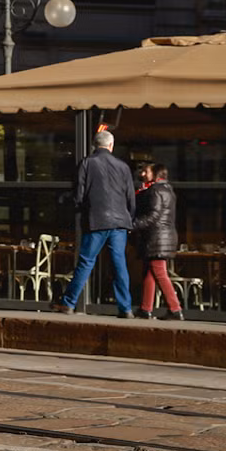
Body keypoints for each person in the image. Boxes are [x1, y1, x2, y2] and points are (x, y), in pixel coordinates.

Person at [54, 130, 136, 317]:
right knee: (119, 265)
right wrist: (128, 219)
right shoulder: (123, 167)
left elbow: (78, 195)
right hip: (119, 223)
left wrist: (82, 211)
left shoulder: (87, 163)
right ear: (111, 146)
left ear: (94, 145)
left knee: (86, 262)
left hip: (96, 220)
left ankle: (69, 303)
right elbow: (131, 198)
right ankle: (126, 308)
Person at [130, 163, 183, 320]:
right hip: (162, 236)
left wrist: (132, 225)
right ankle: (145, 309)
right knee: (149, 272)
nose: (143, 174)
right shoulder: (167, 190)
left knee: (159, 272)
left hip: (156, 238)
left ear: (156, 173)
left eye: (146, 171)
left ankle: (175, 309)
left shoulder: (155, 191)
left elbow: (153, 216)